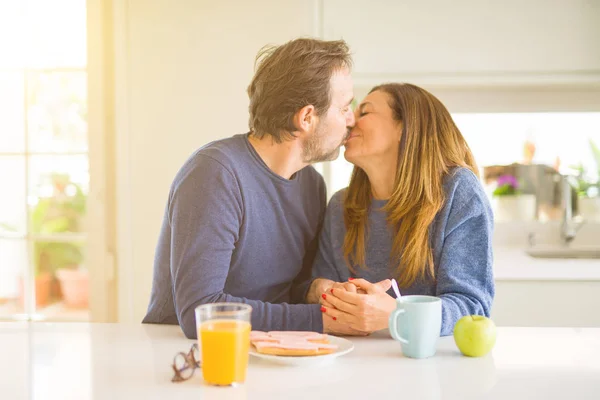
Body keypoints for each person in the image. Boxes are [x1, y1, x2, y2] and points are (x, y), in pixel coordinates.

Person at [142, 38, 367, 339]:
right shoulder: (215, 174)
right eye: (344, 108)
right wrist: (321, 319)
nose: (352, 120)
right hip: (187, 357)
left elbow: (288, 291)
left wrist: (316, 292)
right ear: (307, 118)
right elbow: (200, 312)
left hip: (270, 350)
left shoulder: (312, 185)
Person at [306, 83, 495, 336]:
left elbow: (473, 309)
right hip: (354, 359)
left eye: (365, 112)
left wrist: (399, 314)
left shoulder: (457, 192)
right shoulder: (341, 205)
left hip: (431, 364)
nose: (350, 121)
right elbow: (317, 288)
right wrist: (324, 291)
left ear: (404, 127)